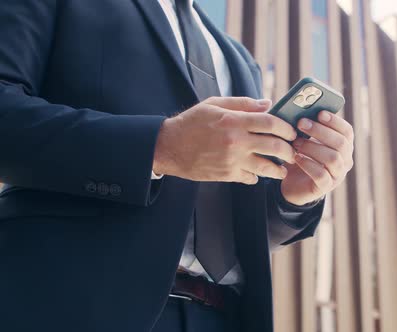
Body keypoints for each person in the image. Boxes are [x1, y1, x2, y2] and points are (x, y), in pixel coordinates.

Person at [0, 1, 354, 332]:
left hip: (223, 315)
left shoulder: (239, 59)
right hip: (72, 302)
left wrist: (290, 198)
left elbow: (230, 227)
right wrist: (160, 146)